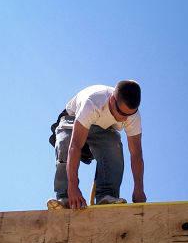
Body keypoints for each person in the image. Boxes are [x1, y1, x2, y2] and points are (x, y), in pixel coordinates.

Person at [48, 80, 146, 209]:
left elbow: (136, 154)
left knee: (114, 143)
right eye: (122, 113)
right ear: (112, 100)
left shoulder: (132, 116)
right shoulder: (93, 103)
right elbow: (75, 146)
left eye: (129, 114)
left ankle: (106, 196)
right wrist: (73, 187)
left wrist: (139, 189)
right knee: (66, 140)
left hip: (103, 130)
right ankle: (65, 196)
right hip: (73, 121)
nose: (124, 118)